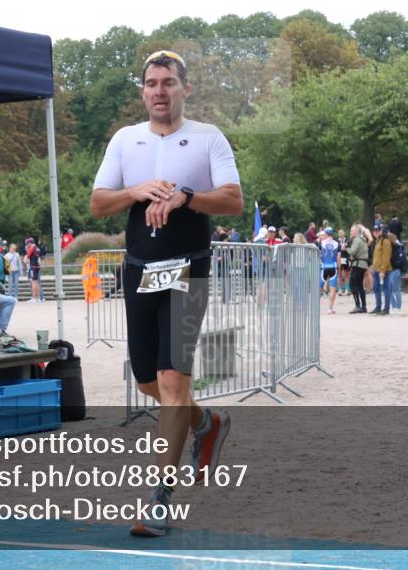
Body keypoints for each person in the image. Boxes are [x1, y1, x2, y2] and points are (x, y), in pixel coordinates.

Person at [89, 50, 242, 537]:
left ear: (184, 89)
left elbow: (234, 200)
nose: (159, 90)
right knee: (148, 382)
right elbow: (97, 204)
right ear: (143, 90)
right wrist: (136, 192)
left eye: (168, 83)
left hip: (187, 270)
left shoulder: (207, 137)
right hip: (140, 272)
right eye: (152, 83)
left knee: (174, 381)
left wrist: (186, 197)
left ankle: (161, 499)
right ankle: (206, 423)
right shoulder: (125, 140)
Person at [371, 226, 393, 315]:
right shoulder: (378, 241)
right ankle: (378, 307)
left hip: (384, 270)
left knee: (385, 289)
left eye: (378, 230)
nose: (376, 232)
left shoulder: (385, 241)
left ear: (381, 231)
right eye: (374, 231)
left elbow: (386, 257)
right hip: (376, 270)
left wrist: (383, 271)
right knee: (376, 288)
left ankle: (386, 308)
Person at [347, 224, 369, 314]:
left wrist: (346, 248)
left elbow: (352, 252)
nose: (350, 232)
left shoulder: (356, 240)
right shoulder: (363, 240)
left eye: (351, 231)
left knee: (353, 285)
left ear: (356, 232)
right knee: (360, 286)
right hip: (363, 265)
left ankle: (357, 306)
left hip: (357, 264)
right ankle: (364, 306)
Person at [319, 227, 339, 314]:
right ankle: (330, 308)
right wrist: (339, 268)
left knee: (319, 288)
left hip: (324, 267)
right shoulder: (337, 243)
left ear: (326, 234)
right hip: (333, 268)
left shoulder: (321, 243)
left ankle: (315, 307)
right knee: (332, 289)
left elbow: (319, 255)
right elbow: (338, 258)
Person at [337, 228, 351, 296]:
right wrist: (342, 247)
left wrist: (343, 247)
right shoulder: (336, 241)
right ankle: (339, 290)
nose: (341, 234)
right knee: (339, 274)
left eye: (342, 232)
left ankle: (347, 289)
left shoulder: (348, 240)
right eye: (339, 233)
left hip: (345, 258)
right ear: (338, 234)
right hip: (339, 258)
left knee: (346, 274)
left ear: (344, 233)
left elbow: (347, 248)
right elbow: (340, 249)